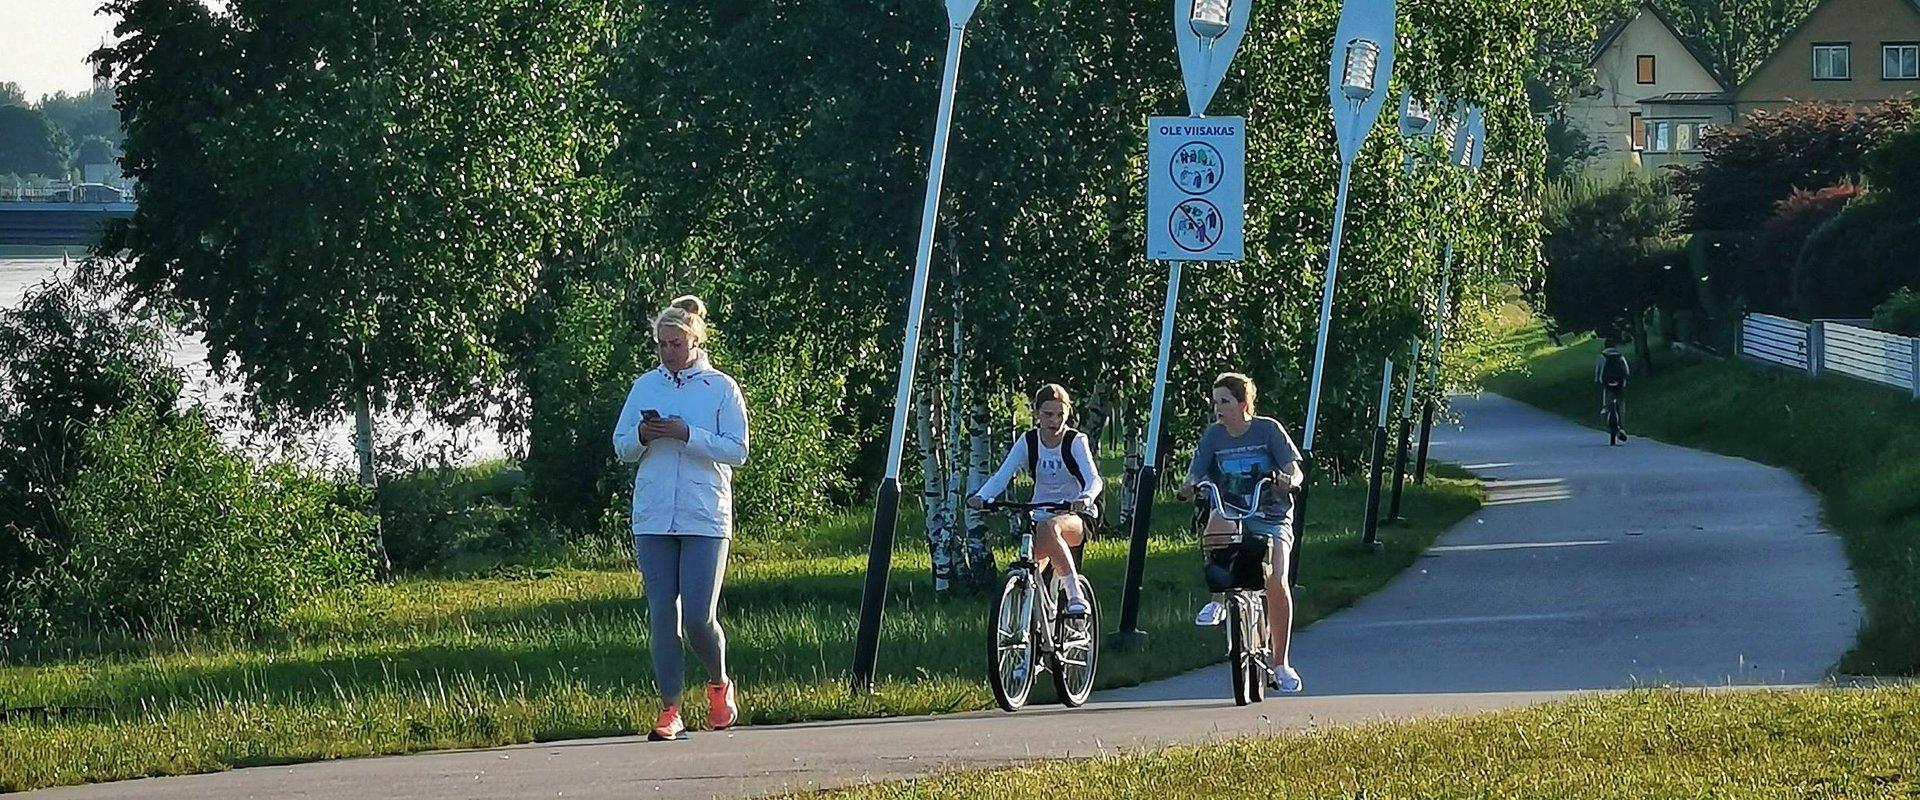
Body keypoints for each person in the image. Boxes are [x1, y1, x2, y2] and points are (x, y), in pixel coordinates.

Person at [612, 295, 749, 742]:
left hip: (704, 515)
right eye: (661, 345)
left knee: (697, 617)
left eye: (676, 344)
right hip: (653, 516)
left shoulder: (720, 388)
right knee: (660, 616)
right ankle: (670, 708)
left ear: (694, 340)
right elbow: (622, 446)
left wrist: (689, 434)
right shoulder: (644, 388)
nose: (668, 352)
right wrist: (643, 434)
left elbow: (737, 450)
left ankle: (718, 683)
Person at [1177, 373, 1307, 693]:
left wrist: (1289, 480)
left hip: (1271, 516)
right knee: (1216, 527)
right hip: (1231, 510)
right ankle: (1218, 599)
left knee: (1276, 579)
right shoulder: (1213, 436)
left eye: (1225, 401)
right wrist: (1189, 484)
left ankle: (1281, 663)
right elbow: (1197, 469)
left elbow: (1295, 468)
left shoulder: (1268, 430)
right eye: (1215, 401)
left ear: (1243, 404)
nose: (1218, 408)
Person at [968, 384, 1104, 616]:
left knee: (1051, 526)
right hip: (1040, 512)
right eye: (1048, 414)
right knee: (1030, 569)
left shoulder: (1075, 440)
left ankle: (1075, 596)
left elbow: (1095, 480)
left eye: (1061, 414)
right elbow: (1002, 475)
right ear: (1036, 414)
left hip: (1076, 513)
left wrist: (1085, 498)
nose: (1055, 421)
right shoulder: (1028, 441)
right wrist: (981, 497)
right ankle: (1031, 624)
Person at [1596, 338, 1630, 444]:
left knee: (1607, 403)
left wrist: (1597, 380)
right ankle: (1622, 427)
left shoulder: (1602, 356)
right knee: (1621, 403)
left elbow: (1598, 371)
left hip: (1607, 383)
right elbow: (1627, 371)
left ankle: (1607, 413)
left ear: (1605, 346)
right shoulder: (1620, 356)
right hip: (1620, 383)